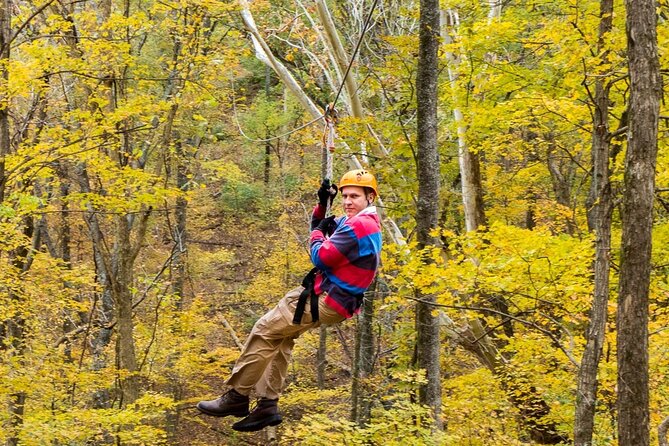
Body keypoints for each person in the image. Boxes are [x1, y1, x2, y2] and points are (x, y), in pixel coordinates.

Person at [196, 169, 383, 432]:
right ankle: (267, 406)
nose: (348, 201)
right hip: (337, 301)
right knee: (281, 338)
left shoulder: (359, 225)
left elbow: (321, 256)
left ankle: (237, 397)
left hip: (327, 297)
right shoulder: (362, 222)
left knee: (263, 330)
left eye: (355, 196)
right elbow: (325, 227)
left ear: (370, 197)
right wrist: (321, 207)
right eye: (345, 196)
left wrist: (318, 233)